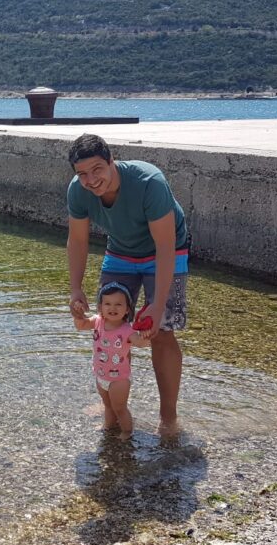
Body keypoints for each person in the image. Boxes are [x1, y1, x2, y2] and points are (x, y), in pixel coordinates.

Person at [66, 134, 190, 437]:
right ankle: (114, 403)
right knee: (110, 323)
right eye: (82, 174)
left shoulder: (149, 182)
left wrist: (157, 305)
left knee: (161, 331)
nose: (91, 180)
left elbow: (165, 246)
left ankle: (168, 417)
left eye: (97, 169)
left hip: (166, 251)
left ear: (112, 160)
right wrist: (75, 288)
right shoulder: (78, 191)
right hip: (121, 251)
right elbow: (78, 240)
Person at [73, 281, 151, 439]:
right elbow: (81, 325)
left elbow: (140, 343)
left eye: (118, 304)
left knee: (120, 408)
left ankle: (127, 431)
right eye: (107, 304)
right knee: (108, 406)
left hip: (119, 379)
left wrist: (146, 334)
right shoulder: (97, 321)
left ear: (127, 309)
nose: (112, 308)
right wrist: (78, 314)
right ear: (100, 307)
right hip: (101, 376)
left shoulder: (127, 329)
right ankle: (108, 427)